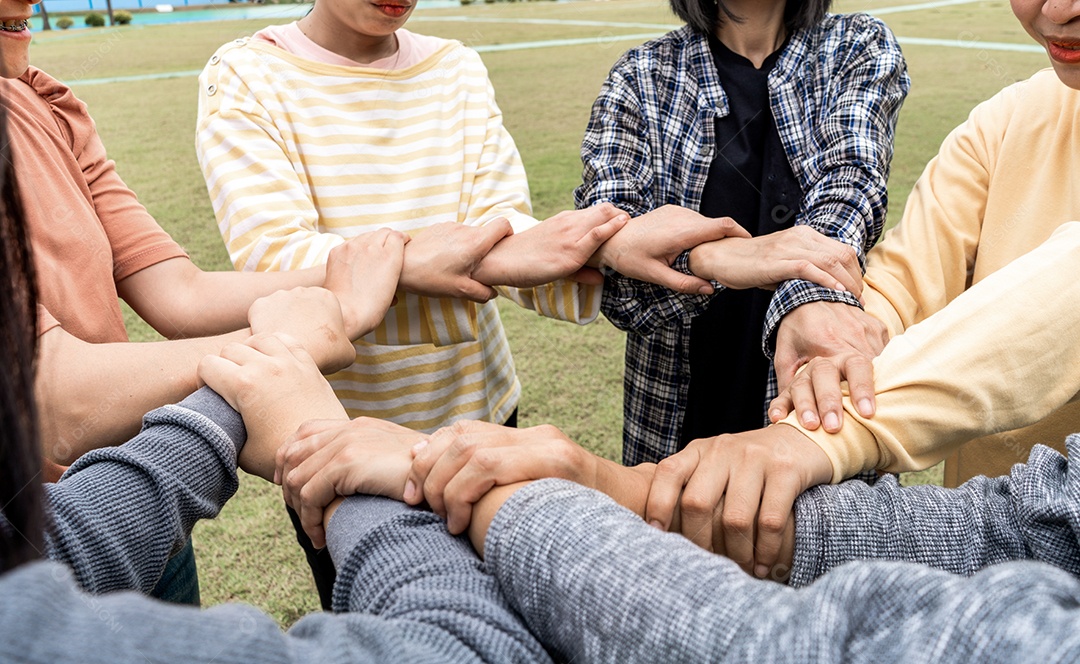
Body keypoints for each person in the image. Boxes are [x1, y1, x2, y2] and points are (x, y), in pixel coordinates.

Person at [193, 0, 865, 605]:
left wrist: (636, 246)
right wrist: (466, 256)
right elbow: (279, 267)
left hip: (483, 416)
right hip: (331, 426)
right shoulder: (248, 76)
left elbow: (513, 236)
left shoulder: (455, 68)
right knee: (389, 616)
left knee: (510, 610)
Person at [0, 0, 412, 605]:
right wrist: (316, 330)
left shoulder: (44, 102)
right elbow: (54, 400)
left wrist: (396, 261)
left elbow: (178, 291)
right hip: (28, 546)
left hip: (131, 490)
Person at [579, 0, 909, 464]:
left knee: (816, 530)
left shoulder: (855, 45)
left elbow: (851, 187)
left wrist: (803, 292)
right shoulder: (642, 75)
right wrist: (714, 259)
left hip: (813, 397)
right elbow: (608, 250)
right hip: (675, 417)